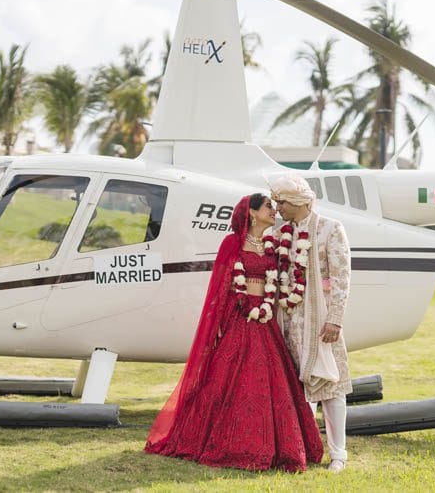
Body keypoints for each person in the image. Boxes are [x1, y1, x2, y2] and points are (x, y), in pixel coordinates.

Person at [145, 193, 323, 472]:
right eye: (267, 207)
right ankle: (228, 443)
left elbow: (283, 279)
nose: (273, 211)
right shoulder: (232, 243)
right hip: (238, 319)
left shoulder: (273, 245)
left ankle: (277, 447)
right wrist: (219, 325)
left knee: (270, 381)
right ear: (252, 213)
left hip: (265, 322)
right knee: (226, 381)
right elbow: (220, 287)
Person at [271, 174, 353, 474]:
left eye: (281, 201)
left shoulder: (330, 229)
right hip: (289, 320)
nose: (277, 207)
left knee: (330, 384)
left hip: (320, 320)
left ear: (296, 202)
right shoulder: (282, 233)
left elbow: (342, 278)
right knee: (299, 386)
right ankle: (303, 449)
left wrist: (335, 319)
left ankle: (338, 454)